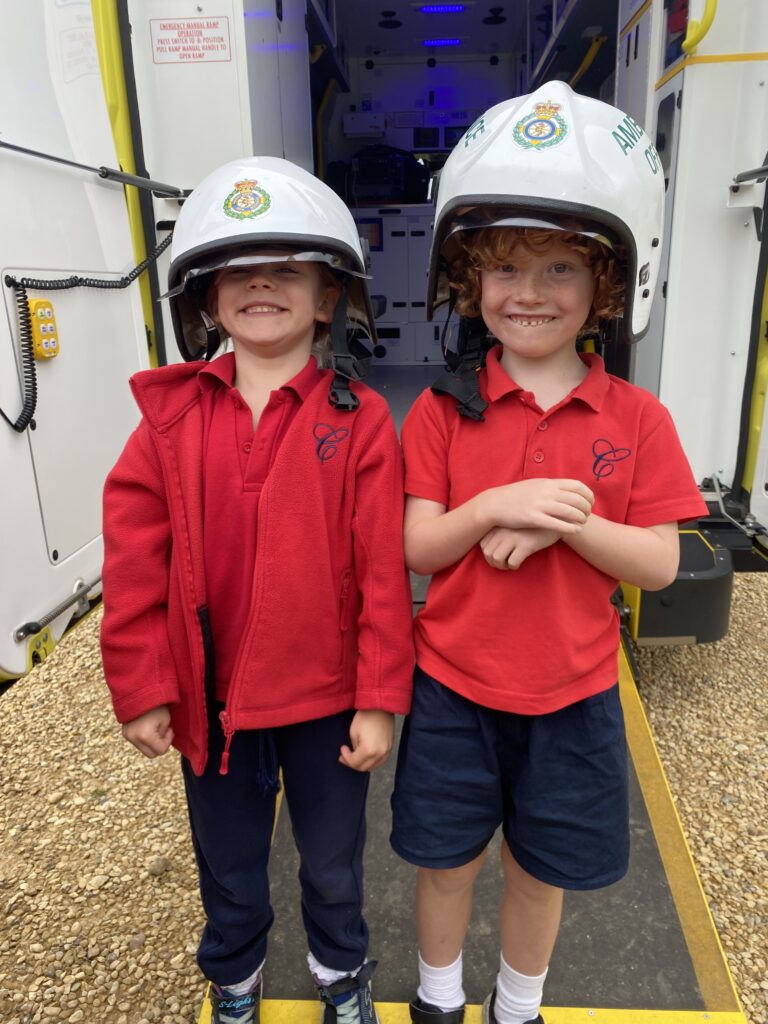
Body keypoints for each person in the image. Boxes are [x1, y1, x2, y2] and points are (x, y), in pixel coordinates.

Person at [390, 82, 708, 1024]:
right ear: (469, 283)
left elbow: (655, 564)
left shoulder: (637, 419)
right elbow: (418, 544)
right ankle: (437, 998)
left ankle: (517, 1007)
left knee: (540, 870)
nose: (528, 293)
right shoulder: (444, 409)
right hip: (453, 686)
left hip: (574, 695)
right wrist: (498, 500)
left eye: (560, 270)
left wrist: (561, 520)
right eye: (505, 270)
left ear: (609, 286)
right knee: (447, 863)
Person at [100, 156, 414, 1024]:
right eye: (238, 269)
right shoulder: (167, 422)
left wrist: (381, 698)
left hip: (325, 706)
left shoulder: (359, 424)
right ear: (204, 301)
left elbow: (384, 574)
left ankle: (340, 976)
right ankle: (234, 981)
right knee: (229, 865)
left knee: (333, 864)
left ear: (329, 298)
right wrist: (142, 687)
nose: (262, 282)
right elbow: (133, 569)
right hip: (213, 709)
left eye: (289, 267)